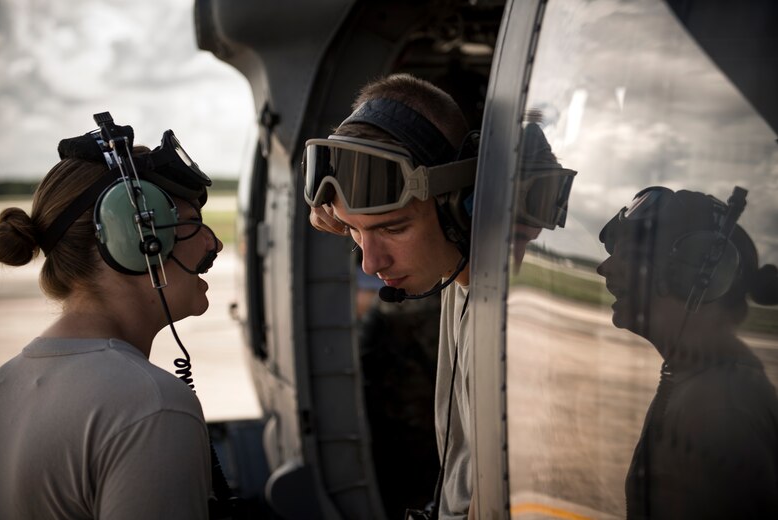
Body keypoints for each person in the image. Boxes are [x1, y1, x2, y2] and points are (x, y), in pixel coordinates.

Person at [304, 74, 575, 519]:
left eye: (393, 228)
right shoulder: (454, 277)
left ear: (462, 204)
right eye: (354, 231)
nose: (370, 264)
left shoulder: (515, 329)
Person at [0, 113, 223, 519]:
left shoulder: (4, 383)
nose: (214, 243)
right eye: (190, 224)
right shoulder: (151, 406)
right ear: (135, 241)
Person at [597, 186, 778, 519]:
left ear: (698, 275)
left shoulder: (718, 412)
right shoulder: (705, 380)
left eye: (625, 255)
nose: (604, 268)